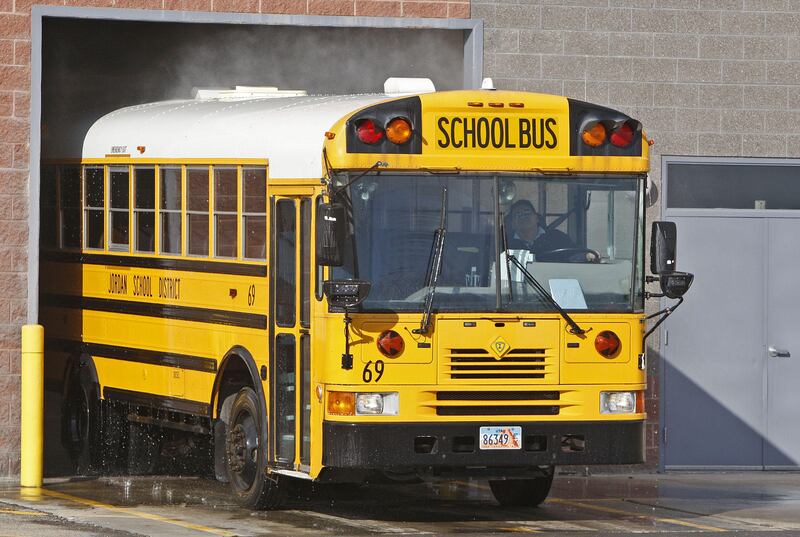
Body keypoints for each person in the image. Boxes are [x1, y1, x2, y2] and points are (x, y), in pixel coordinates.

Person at [505, 199, 576, 256]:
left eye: (527, 213)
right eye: (518, 214)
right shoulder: (505, 244)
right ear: (512, 223)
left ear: (537, 218)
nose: (523, 217)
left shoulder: (558, 238)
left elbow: (575, 256)